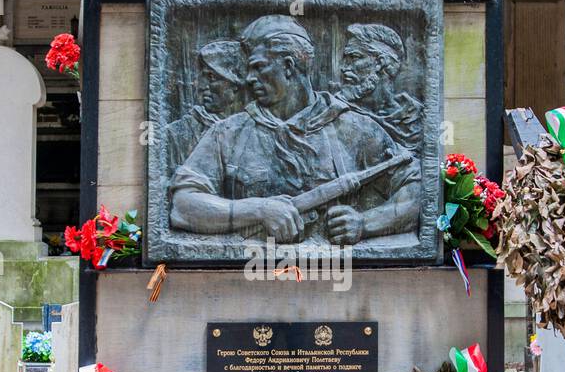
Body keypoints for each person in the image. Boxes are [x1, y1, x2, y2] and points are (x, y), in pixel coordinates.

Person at [169, 14, 420, 245]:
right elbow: (183, 205)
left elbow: (417, 188)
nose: (248, 79)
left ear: (288, 66)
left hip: (337, 281)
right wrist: (258, 209)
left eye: (258, 67)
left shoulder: (355, 128)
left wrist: (366, 223)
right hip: (243, 275)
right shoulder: (227, 133)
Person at [337, 23, 423, 156]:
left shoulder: (416, 117)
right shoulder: (335, 111)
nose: (344, 68)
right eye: (345, 59)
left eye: (354, 57)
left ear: (380, 63)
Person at [165, 40, 245, 172]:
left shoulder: (254, 132)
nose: (201, 86)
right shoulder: (174, 135)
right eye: (202, 77)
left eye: (212, 77)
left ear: (235, 85)